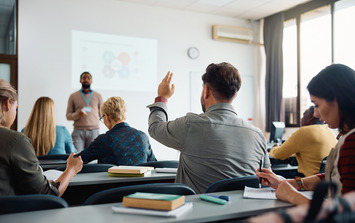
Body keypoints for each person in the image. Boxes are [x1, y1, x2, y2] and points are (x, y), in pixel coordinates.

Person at [147, 62, 270, 193]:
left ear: (206, 90)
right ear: (235, 94)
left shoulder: (191, 125)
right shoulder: (257, 134)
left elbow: (155, 127)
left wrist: (162, 97)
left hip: (198, 212)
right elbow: (268, 179)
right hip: (245, 212)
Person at [256, 63, 355, 205]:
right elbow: (331, 178)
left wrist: (293, 196)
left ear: (336, 99)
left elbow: (345, 215)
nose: (315, 113)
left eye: (317, 105)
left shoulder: (352, 141)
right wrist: (287, 183)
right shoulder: (344, 136)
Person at [0, 79, 82, 196]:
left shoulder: (24, 132)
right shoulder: (16, 140)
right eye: (16, 108)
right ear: (7, 104)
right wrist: (71, 169)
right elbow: (46, 193)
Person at [79, 96, 156, 165]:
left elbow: (78, 161)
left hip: (111, 181)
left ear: (106, 117)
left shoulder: (103, 140)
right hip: (140, 181)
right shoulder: (143, 137)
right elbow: (154, 164)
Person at [269, 106, 337, 177]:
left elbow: (278, 154)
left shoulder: (304, 131)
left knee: (271, 173)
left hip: (307, 180)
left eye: (304, 116)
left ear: (311, 117)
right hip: (325, 178)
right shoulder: (330, 131)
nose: (301, 119)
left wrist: (273, 148)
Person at [66, 71, 103, 152]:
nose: (86, 79)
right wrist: (77, 114)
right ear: (80, 80)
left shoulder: (98, 96)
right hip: (78, 131)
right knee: (77, 157)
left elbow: (102, 114)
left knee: (93, 159)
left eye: (88, 78)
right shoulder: (73, 96)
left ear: (91, 81)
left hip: (94, 131)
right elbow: (68, 116)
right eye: (84, 78)